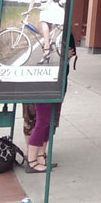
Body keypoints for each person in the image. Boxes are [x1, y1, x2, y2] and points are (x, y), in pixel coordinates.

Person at [23, 33, 76, 173]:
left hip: (56, 80)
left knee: (48, 122)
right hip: (43, 81)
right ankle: (32, 160)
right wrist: (63, 55)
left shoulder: (62, 32)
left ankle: (40, 156)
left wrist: (66, 56)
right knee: (42, 121)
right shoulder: (42, 36)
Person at [27, 0, 64, 64]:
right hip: (43, 7)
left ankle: (47, 49)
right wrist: (28, 11)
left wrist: (45, 6)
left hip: (52, 6)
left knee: (46, 23)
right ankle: (46, 52)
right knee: (44, 26)